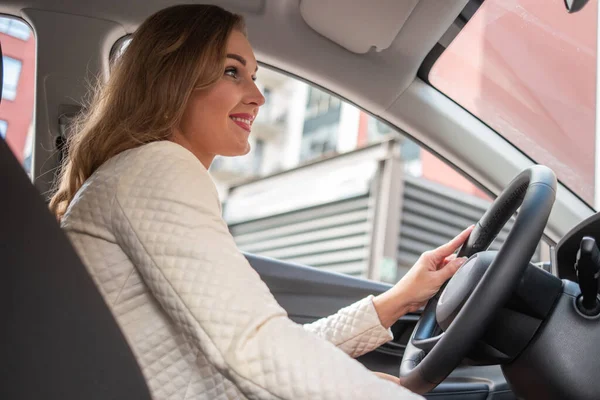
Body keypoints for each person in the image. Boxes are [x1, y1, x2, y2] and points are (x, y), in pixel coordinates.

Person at [50, 4, 473, 400]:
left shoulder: (142, 172)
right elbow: (253, 345)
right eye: (233, 72)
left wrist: (398, 300)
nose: (258, 96)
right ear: (171, 79)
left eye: (253, 74)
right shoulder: (158, 167)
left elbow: (252, 343)